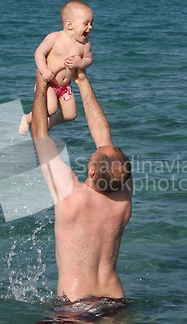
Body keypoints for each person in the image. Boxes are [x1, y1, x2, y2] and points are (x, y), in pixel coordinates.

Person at [31, 69, 132, 302]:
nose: (97, 147)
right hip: (115, 299)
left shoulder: (70, 197)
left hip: (76, 305)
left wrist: (41, 86)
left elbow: (39, 134)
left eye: (95, 154)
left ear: (92, 170)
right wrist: (82, 80)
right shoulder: (123, 195)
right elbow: (104, 137)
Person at [19, 0, 93, 135]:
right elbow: (39, 53)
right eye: (86, 23)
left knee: (70, 114)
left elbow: (89, 59)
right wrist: (44, 70)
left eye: (91, 23)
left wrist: (80, 63)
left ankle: (49, 123)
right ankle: (28, 118)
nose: (90, 27)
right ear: (70, 24)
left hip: (65, 86)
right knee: (51, 108)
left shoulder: (84, 44)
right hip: (49, 82)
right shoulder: (55, 37)